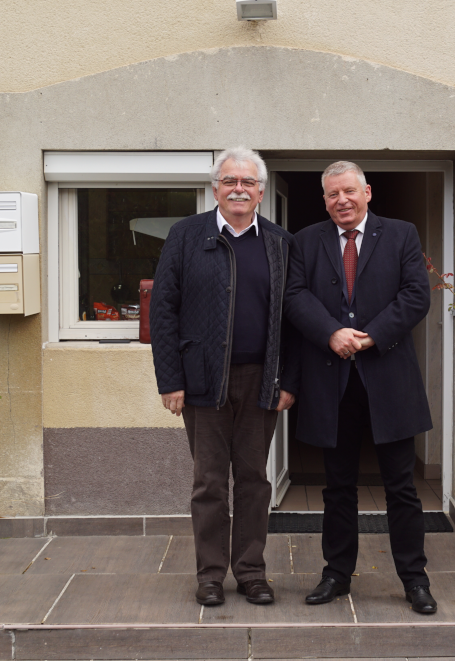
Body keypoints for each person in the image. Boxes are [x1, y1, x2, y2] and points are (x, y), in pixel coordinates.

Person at [284, 161, 437, 614]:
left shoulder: (401, 233)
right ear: (325, 199)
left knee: (402, 488)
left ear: (367, 192)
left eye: (349, 191)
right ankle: (336, 574)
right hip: (331, 382)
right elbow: (294, 296)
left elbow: (415, 295)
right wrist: (331, 332)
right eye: (332, 194)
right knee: (338, 487)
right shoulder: (305, 240)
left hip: (388, 379)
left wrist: (369, 336)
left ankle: (414, 580)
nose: (342, 201)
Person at [150, 147, 298, 607]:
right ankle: (210, 575)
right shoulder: (185, 235)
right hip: (201, 380)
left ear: (260, 192)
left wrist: (288, 379)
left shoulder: (279, 242)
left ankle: (251, 572)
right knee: (209, 481)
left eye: (248, 182)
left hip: (262, 380)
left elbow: (294, 316)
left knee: (254, 479)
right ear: (216, 188)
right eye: (230, 180)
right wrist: (170, 380)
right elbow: (163, 311)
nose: (239, 189)